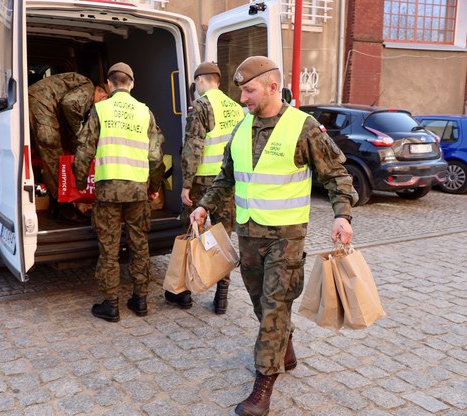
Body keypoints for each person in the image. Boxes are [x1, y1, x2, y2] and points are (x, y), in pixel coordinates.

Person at [189, 56, 358, 416]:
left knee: (274, 306)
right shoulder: (242, 128)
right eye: (242, 91)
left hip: (286, 237)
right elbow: (227, 177)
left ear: (271, 86)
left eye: (249, 90)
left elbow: (336, 175)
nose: (244, 98)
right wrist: (205, 206)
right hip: (249, 235)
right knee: (259, 303)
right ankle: (286, 346)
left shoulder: (303, 127)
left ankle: (262, 388)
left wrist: (342, 214)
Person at [74, 62, 165, 322]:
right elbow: (156, 156)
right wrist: (154, 188)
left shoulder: (100, 109)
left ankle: (111, 304)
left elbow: (84, 150)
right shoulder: (144, 112)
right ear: (132, 84)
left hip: (108, 192)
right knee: (139, 245)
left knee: (109, 248)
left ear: (110, 84)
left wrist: (80, 183)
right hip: (137, 191)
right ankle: (140, 300)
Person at [164, 62, 244, 314]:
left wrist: (186, 183)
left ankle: (185, 293)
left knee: (192, 232)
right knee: (223, 236)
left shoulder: (201, 105)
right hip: (229, 182)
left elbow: (193, 147)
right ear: (218, 81)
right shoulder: (236, 107)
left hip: (203, 181)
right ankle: (222, 297)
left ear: (199, 81)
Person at [28, 72, 109, 222]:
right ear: (103, 97)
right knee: (53, 153)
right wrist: (80, 134)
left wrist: (77, 145)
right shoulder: (89, 89)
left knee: (51, 156)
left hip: (39, 101)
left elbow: (69, 117)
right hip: (42, 103)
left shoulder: (84, 91)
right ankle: (65, 208)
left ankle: (55, 206)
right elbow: (69, 104)